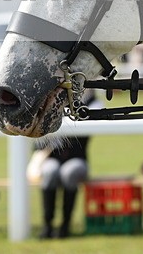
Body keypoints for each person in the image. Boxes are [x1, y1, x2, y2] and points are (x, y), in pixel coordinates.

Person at [35, 90, 101, 239]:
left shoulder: (93, 103)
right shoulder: (54, 98)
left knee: (69, 172)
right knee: (49, 171)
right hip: (53, 156)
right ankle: (47, 225)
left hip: (77, 157)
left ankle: (65, 225)